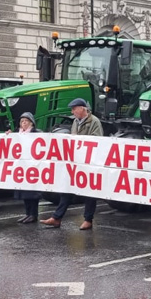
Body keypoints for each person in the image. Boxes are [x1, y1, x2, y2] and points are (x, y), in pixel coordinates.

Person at [41, 98, 103, 230]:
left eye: (74, 109)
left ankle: (88, 219)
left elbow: (97, 141)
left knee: (89, 192)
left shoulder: (94, 122)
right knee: (67, 190)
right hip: (75, 162)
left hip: (88, 163)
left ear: (82, 108)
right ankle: (57, 218)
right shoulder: (75, 121)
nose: (72, 111)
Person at [11, 112, 43, 224]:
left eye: (26, 121)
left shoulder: (36, 133)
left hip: (33, 167)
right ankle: (27, 213)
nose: (24, 123)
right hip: (22, 168)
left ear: (31, 123)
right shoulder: (18, 134)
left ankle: (34, 214)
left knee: (32, 192)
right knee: (24, 191)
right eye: (22, 121)